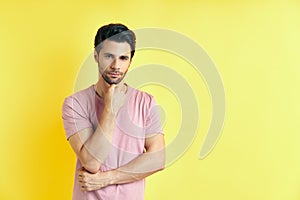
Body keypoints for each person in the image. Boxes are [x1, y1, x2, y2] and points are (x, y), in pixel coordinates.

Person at [62, 23, 165, 200]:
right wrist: (110, 108)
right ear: (96, 55)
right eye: (109, 56)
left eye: (123, 58)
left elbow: (157, 159)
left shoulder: (146, 102)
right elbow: (92, 162)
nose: (116, 65)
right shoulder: (75, 104)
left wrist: (106, 179)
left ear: (130, 61)